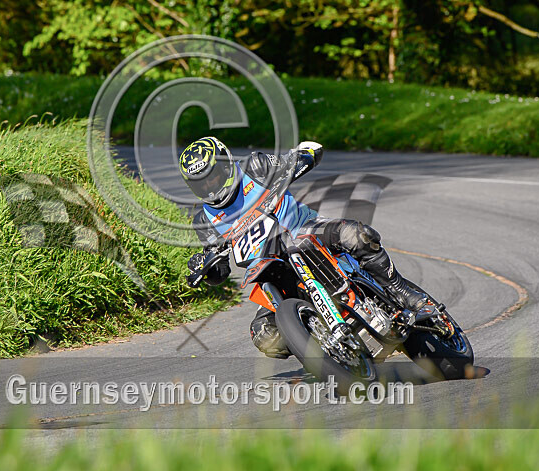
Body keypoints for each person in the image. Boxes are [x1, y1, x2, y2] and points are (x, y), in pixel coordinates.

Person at [180, 136, 428, 359]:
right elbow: (220, 271)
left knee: (357, 235)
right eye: (201, 184)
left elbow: (291, 160)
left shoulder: (255, 167)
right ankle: (322, 348)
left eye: (213, 176)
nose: (210, 186)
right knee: (264, 335)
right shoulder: (204, 220)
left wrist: (302, 157)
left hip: (306, 230)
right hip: (268, 269)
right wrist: (206, 268)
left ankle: (401, 290)